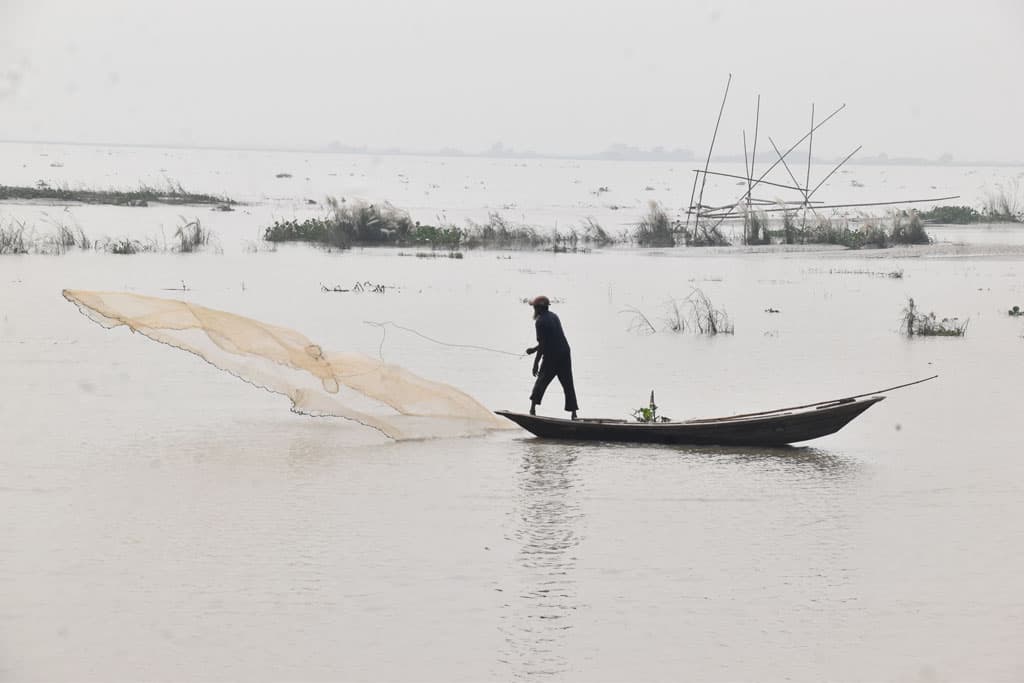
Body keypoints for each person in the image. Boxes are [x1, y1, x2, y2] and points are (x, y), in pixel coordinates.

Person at [525, 295, 579, 419]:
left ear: (539, 308)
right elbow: (550, 339)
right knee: (568, 383)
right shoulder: (554, 316)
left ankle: (532, 410)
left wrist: (535, 363)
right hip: (564, 353)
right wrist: (534, 350)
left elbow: (544, 344)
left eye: (534, 307)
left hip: (552, 356)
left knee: (541, 382)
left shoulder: (540, 322)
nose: (534, 309)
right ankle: (574, 414)